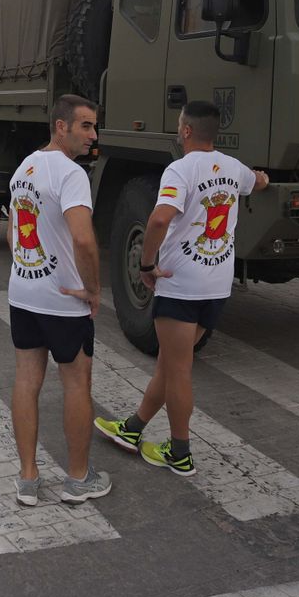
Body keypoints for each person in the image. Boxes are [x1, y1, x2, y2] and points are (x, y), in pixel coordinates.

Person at [94, 101, 269, 476]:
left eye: (178, 125)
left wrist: (146, 264)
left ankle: (180, 451)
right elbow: (258, 182)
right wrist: (262, 178)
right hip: (216, 290)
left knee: (179, 370)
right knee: (171, 365)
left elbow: (158, 219)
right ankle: (133, 429)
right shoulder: (233, 168)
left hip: (181, 286)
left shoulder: (180, 169)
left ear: (186, 131)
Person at [7, 94, 110, 507]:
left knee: (27, 381)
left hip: (24, 292)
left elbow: (15, 233)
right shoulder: (71, 174)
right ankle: (78, 479)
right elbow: (84, 239)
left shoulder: (24, 168)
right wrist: (94, 289)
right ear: (61, 126)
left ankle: (28, 479)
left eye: (95, 127)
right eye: (86, 126)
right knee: (76, 384)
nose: (93, 135)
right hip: (63, 299)